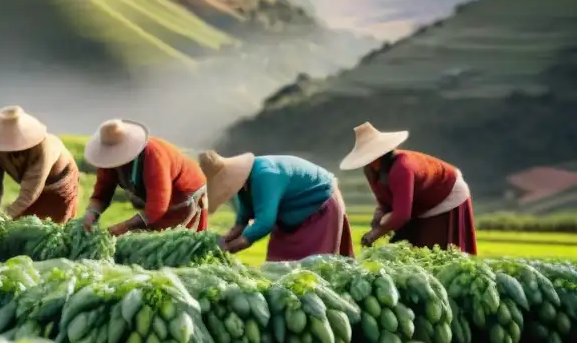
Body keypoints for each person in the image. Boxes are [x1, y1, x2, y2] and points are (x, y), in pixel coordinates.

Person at [339, 122, 477, 254]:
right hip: (417, 202)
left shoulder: (402, 168)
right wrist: (379, 214)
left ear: (380, 154)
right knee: (408, 249)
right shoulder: (371, 171)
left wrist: (375, 233)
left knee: (433, 249)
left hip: (444, 194)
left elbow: (402, 214)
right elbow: (383, 201)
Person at [199, 151, 354, 261]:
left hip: (318, 207)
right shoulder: (244, 187)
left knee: (313, 270)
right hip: (288, 218)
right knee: (279, 266)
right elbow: (242, 221)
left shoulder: (265, 174)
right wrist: (221, 241)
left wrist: (231, 247)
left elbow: (264, 223)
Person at [81, 119, 208, 236]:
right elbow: (102, 193)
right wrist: (91, 213)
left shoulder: (154, 157)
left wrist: (126, 226)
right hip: (157, 200)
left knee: (176, 240)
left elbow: (158, 204)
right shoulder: (108, 162)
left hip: (183, 193)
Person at [0, 106, 80, 227]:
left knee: (51, 228)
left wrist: (3, 216)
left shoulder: (42, 148)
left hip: (58, 184)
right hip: (32, 186)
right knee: (21, 224)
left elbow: (30, 193)